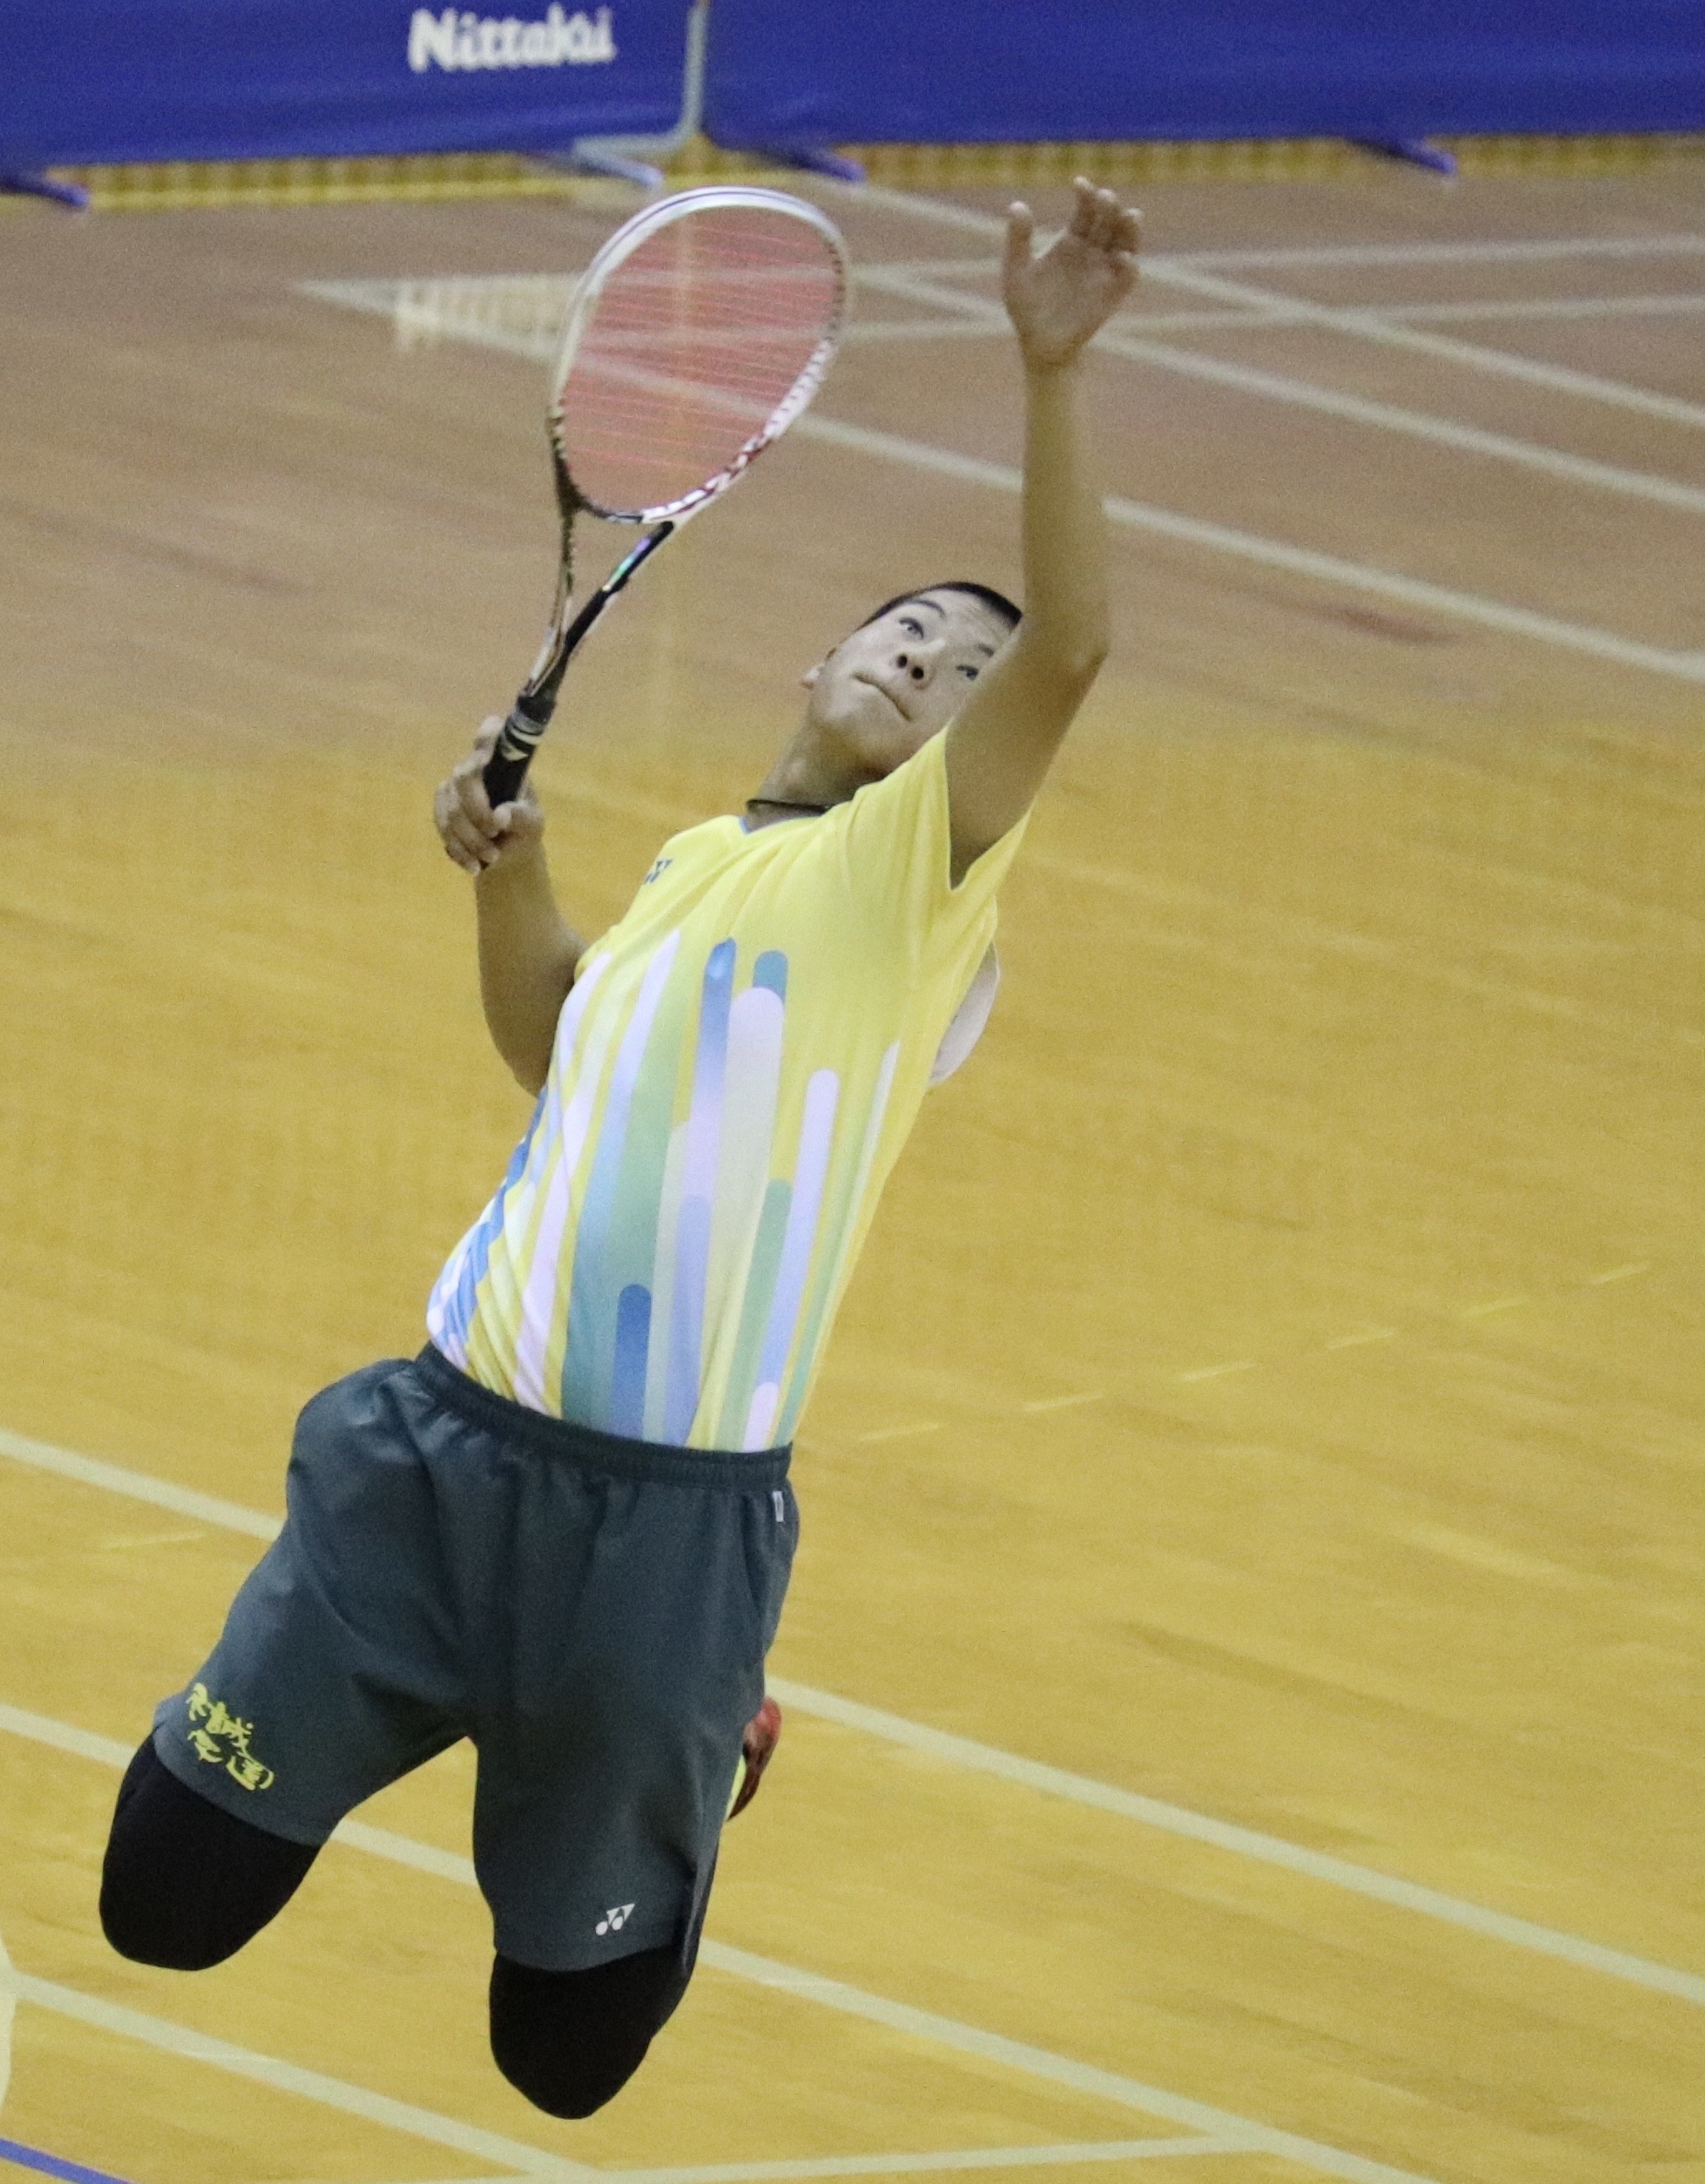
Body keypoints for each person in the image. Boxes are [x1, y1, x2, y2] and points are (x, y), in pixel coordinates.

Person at [101, 179, 1143, 2118]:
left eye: (960, 671)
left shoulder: (906, 885)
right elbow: (558, 1053)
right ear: (820, 657)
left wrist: (1052, 374)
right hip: (435, 1455)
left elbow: (1071, 647)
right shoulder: (697, 867)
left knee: (560, 2056)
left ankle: (706, 1733)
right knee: (159, 1899)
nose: (931, 662)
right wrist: (511, 873)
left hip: (663, 1530)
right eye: (909, 629)